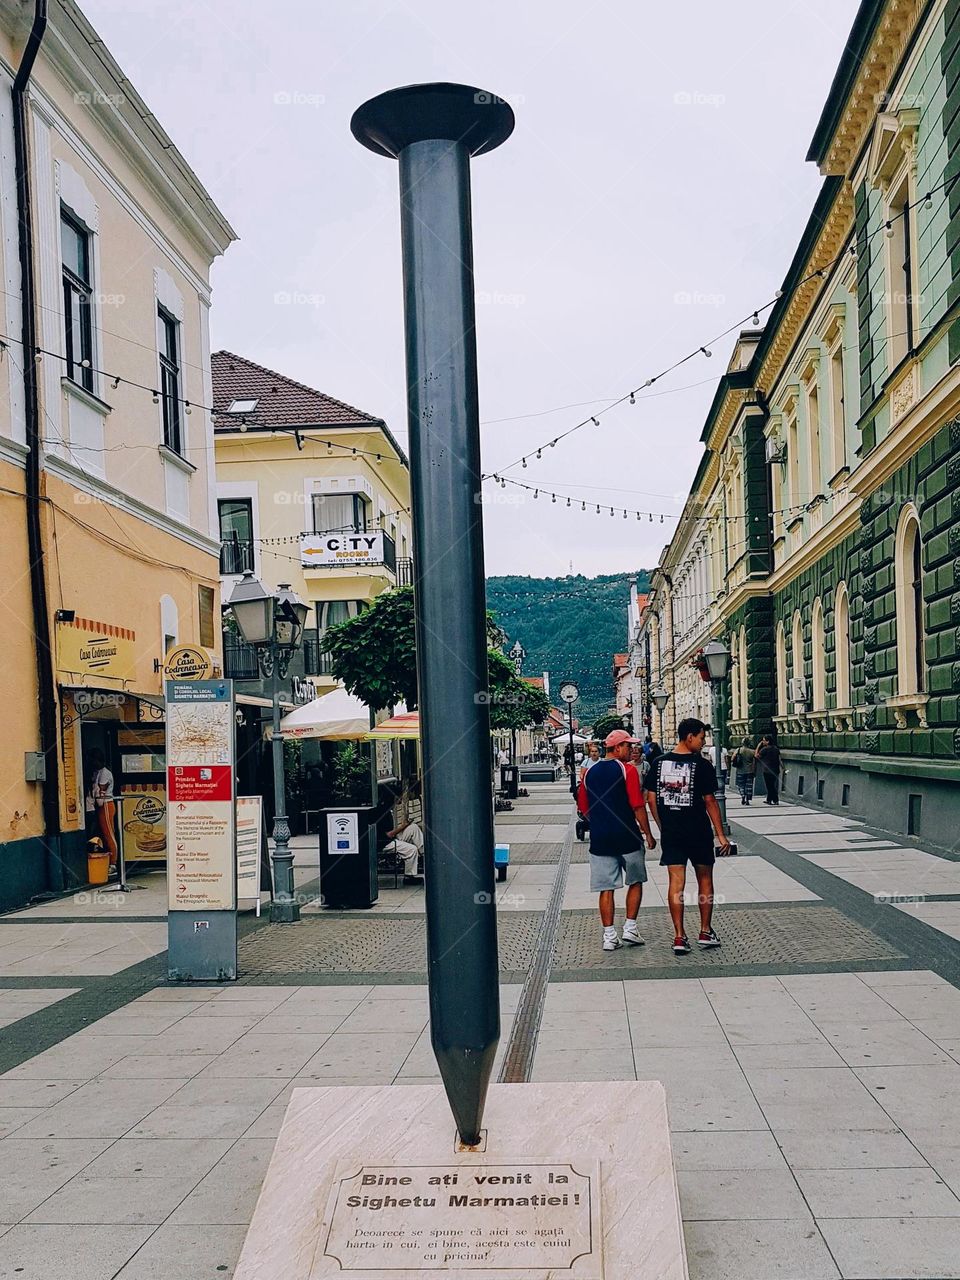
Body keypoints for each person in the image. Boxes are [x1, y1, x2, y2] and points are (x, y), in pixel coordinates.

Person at [645, 717, 732, 955]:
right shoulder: (701, 765)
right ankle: (705, 931)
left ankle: (679, 936)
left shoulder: (659, 764)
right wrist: (721, 835)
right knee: (705, 879)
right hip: (698, 832)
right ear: (690, 736)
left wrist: (662, 826)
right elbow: (710, 801)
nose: (703, 743)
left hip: (673, 832)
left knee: (676, 883)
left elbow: (651, 799)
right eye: (702, 738)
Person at [577, 729, 657, 951]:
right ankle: (630, 928)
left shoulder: (589, 773)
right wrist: (648, 833)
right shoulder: (627, 770)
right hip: (628, 836)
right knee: (635, 880)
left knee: (606, 888)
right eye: (628, 745)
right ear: (617, 748)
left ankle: (609, 936)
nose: (632, 750)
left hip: (600, 838)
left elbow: (584, 808)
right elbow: (637, 805)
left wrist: (601, 821)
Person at [383, 779, 424, 884]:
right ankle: (409, 876)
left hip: (392, 839)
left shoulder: (390, 810)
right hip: (385, 843)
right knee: (411, 849)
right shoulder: (383, 813)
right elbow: (388, 834)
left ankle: (423, 854)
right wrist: (403, 826)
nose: (400, 799)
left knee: (414, 828)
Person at [86, 749, 118, 870]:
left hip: (105, 805)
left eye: (93, 760)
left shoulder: (104, 774)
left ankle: (113, 862)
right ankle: (107, 859)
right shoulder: (97, 772)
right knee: (103, 834)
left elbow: (100, 797)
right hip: (101, 806)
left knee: (109, 833)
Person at [756, 736, 782, 805]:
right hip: (776, 770)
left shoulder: (764, 749)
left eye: (764, 740)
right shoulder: (776, 749)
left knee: (769, 786)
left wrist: (758, 746)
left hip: (767, 770)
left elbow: (756, 756)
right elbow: (780, 759)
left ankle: (775, 800)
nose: (763, 742)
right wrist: (783, 768)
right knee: (772, 785)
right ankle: (770, 799)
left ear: (768, 741)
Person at [732, 737, 757, 806]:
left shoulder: (738, 750)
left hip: (740, 770)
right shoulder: (752, 751)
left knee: (741, 785)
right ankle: (747, 799)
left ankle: (743, 795)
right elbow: (755, 760)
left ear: (742, 743)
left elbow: (732, 758)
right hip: (749, 771)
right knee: (748, 785)